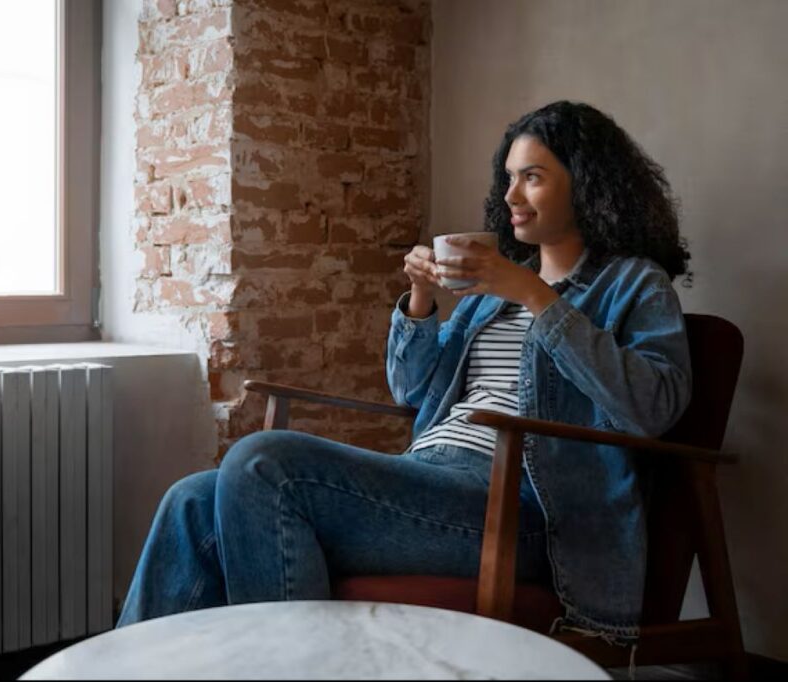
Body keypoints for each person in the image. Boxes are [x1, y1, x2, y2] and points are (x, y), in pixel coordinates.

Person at [116, 100, 693, 644]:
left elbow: (654, 405)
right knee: (192, 499)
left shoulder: (634, 285)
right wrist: (419, 296)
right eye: (510, 176)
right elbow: (413, 391)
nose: (511, 193)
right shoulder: (490, 295)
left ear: (586, 183)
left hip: (531, 509)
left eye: (533, 177)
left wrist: (537, 296)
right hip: (429, 476)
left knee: (263, 462)